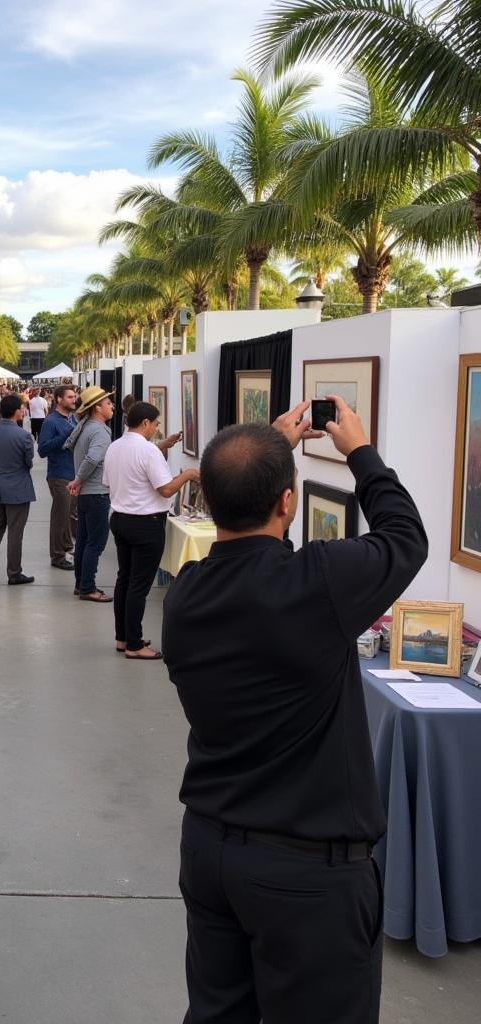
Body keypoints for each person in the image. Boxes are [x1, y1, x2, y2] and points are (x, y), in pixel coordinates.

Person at [163, 397, 428, 1024]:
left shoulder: (186, 596)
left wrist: (265, 447)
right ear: (288, 502)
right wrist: (360, 452)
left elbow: (256, 555)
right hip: (307, 872)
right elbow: (405, 538)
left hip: (211, 851)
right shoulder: (319, 586)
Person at [103, 402, 193, 660]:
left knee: (125, 580)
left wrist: (162, 446)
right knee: (139, 586)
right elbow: (165, 489)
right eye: (156, 424)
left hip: (120, 519)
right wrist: (187, 474)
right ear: (145, 423)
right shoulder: (148, 452)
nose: (156, 429)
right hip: (146, 523)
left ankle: (123, 638)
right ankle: (134, 644)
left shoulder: (115, 446)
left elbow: (109, 481)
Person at [0, 393, 36, 586]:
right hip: (18, 489)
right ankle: (14, 572)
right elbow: (28, 462)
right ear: (17, 411)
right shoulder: (24, 436)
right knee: (15, 531)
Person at [65, 386, 115, 603]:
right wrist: (78, 479)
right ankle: (87, 587)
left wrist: (79, 480)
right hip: (96, 494)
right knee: (96, 542)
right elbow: (93, 459)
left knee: (84, 541)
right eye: (108, 403)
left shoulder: (86, 427)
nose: (112, 406)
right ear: (97, 407)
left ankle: (81, 583)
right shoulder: (99, 431)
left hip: (88, 494)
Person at [38, 384, 78, 570]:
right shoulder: (51, 421)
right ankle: (57, 556)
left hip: (72, 474)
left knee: (68, 515)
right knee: (60, 516)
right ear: (59, 399)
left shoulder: (72, 419)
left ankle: (66, 549)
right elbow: (43, 449)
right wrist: (66, 437)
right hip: (59, 474)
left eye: (74, 396)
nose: (74, 399)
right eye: (70, 397)